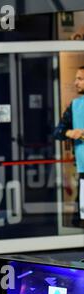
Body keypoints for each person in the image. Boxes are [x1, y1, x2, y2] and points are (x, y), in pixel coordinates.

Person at [54, 66, 84, 227]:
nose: (75, 82)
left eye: (80, 79)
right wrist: (69, 133)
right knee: (82, 216)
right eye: (76, 78)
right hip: (83, 169)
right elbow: (58, 131)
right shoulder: (75, 105)